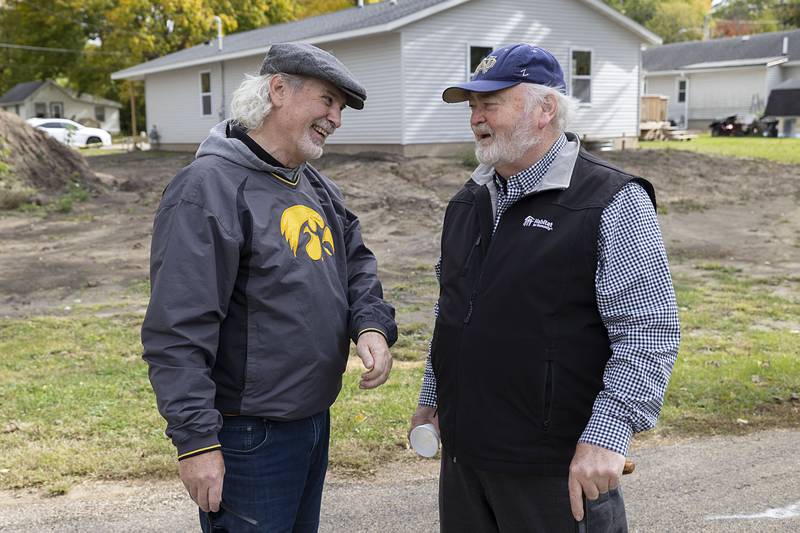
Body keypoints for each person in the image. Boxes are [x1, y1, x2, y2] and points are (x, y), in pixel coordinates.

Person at [409, 44, 680, 532]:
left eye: (490, 104)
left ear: (545, 109)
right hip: (466, 462)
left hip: (557, 469)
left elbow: (649, 328)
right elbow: (450, 312)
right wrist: (433, 398)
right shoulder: (466, 202)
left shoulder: (610, 199)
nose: (476, 119)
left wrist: (608, 434)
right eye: (472, 107)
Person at [141, 42, 397, 532]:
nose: (336, 119)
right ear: (278, 89)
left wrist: (370, 324)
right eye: (327, 100)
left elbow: (356, 263)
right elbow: (177, 328)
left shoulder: (316, 186)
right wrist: (196, 441)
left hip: (312, 421)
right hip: (246, 436)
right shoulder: (207, 188)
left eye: (341, 108)